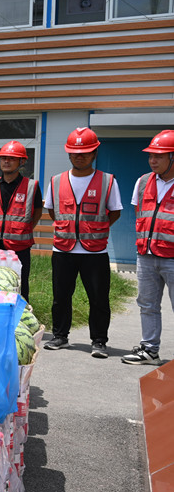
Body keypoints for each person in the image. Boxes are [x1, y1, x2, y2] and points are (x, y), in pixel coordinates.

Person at [43, 127, 121, 357]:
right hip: (63, 249)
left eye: (85, 152)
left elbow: (114, 212)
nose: (80, 156)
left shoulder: (107, 181)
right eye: (75, 152)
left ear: (94, 153)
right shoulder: (56, 181)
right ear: (69, 153)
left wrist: (92, 230)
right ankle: (60, 336)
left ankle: (99, 341)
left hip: (95, 252)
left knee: (98, 299)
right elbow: (52, 210)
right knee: (61, 297)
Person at [123, 130, 174, 365]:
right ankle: (150, 350)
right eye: (151, 156)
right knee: (147, 305)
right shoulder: (143, 182)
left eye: (158, 156)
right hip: (146, 255)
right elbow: (140, 214)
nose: (152, 160)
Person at [0, 141, 42, 301]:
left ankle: (20, 314)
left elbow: (37, 212)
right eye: (3, 158)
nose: (6, 161)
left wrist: (24, 229)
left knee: (19, 287)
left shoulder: (31, 186)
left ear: (22, 162)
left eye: (12, 158)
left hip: (19, 249)